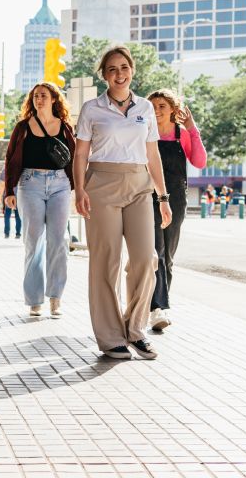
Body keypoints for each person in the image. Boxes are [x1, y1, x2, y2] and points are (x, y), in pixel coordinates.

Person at [73, 45, 172, 360]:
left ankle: (135, 329)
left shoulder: (144, 108)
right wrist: (79, 189)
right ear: (104, 74)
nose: (119, 74)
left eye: (124, 67)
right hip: (101, 184)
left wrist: (163, 196)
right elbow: (81, 153)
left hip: (140, 185)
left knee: (146, 259)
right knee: (106, 261)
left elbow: (152, 154)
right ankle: (110, 336)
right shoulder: (92, 109)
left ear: (132, 70)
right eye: (112, 69)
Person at [4, 82, 76, 318]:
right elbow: (11, 159)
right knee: (33, 241)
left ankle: (55, 297)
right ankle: (35, 299)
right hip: (30, 184)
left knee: (59, 240)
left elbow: (74, 159)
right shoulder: (23, 127)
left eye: (44, 96)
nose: (39, 100)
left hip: (60, 186)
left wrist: (77, 190)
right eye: (36, 96)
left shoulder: (65, 128)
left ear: (54, 99)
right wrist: (9, 191)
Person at [145, 88, 207, 332]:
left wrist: (193, 129)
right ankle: (156, 308)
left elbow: (200, 162)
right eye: (153, 106)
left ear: (173, 109)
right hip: (148, 197)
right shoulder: (144, 133)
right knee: (156, 252)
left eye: (162, 106)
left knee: (168, 256)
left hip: (177, 198)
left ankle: (162, 306)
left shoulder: (181, 134)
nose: (157, 111)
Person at [0, 167, 21, 239]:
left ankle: (6, 233)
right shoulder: (20, 169)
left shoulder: (6, 169)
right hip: (19, 196)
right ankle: (18, 233)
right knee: (18, 216)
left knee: (7, 216)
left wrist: (0, 196)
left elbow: (2, 184)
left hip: (8, 196)